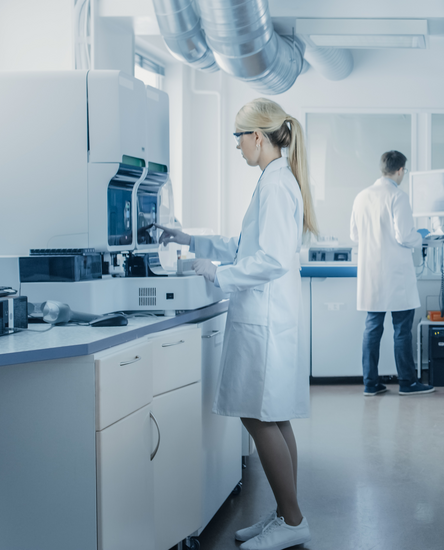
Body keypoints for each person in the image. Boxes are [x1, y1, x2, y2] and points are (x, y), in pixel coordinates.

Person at [157, 98, 315, 550]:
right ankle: (288, 515)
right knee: (273, 416)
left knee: (259, 415)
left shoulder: (277, 184)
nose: (237, 146)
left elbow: (269, 260)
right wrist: (192, 240)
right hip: (267, 317)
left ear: (258, 137)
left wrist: (217, 274)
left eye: (238, 137)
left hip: (264, 318)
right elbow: (245, 243)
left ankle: (293, 519)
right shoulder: (273, 180)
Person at [349, 150, 436, 396]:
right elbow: (405, 236)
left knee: (372, 328)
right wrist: (421, 235)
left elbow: (354, 236)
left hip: (371, 274)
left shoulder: (361, 196)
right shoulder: (398, 196)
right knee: (401, 330)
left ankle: (370, 384)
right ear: (400, 170)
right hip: (396, 275)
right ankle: (407, 383)